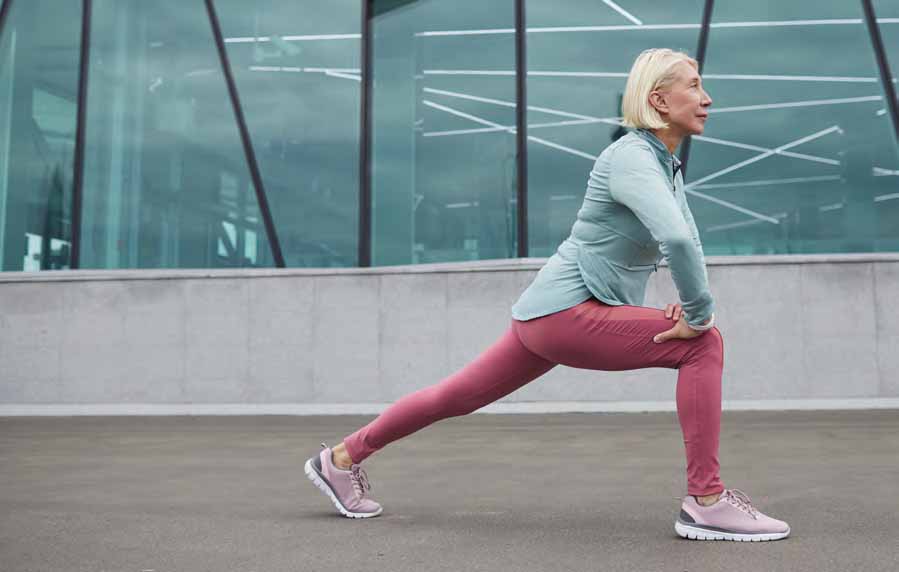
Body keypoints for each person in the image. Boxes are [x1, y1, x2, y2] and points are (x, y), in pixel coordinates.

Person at [304, 48, 791, 542]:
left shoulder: (665, 166)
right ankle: (706, 500)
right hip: (568, 312)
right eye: (694, 86)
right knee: (702, 345)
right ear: (659, 100)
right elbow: (678, 241)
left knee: (453, 396)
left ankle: (340, 459)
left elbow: (685, 243)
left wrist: (687, 307)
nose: (707, 99)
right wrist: (699, 317)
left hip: (547, 314)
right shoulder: (630, 157)